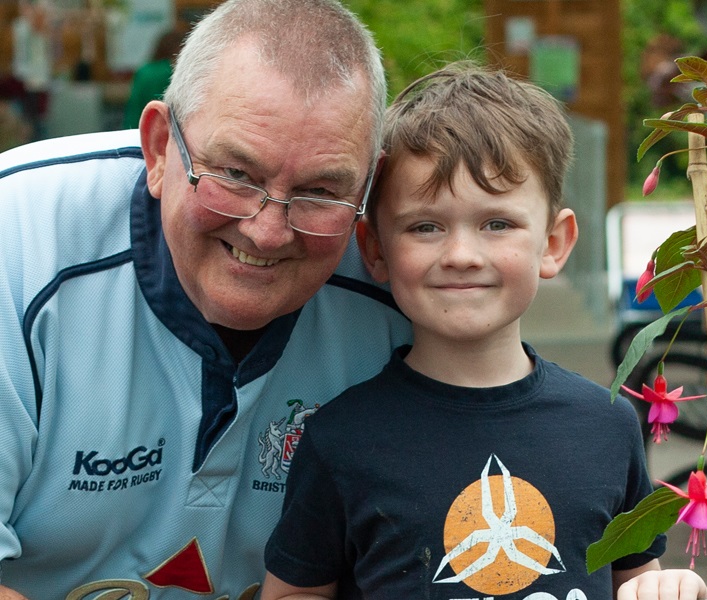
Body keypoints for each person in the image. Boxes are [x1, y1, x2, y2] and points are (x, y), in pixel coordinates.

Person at [0, 1, 411, 598]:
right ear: (161, 148)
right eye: (237, 175)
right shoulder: (19, 239)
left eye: (320, 191)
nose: (268, 231)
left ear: (367, 186)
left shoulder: (398, 282)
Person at [260, 62, 707, 600]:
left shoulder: (608, 424)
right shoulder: (340, 440)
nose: (461, 256)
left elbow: (635, 581)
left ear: (553, 242)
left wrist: (670, 590)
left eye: (497, 224)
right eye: (425, 227)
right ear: (375, 247)